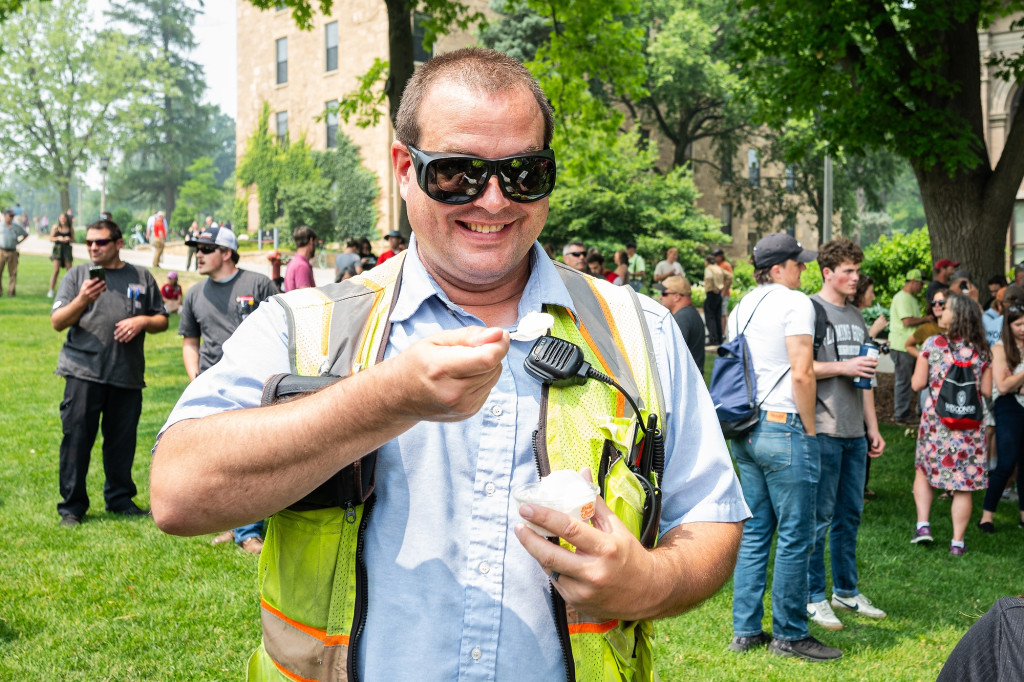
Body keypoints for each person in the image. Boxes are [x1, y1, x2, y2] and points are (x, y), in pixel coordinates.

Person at [151, 47, 749, 680]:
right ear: (405, 169)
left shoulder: (640, 330)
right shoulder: (302, 324)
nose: (492, 201)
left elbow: (711, 517)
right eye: (458, 173)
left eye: (523, 173)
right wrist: (385, 400)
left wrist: (647, 581)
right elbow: (178, 494)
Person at [727, 233, 841, 662]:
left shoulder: (742, 306)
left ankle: (745, 629)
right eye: (797, 263)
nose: (803, 269)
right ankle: (791, 634)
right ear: (778, 269)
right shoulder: (795, 303)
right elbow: (803, 372)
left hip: (746, 429)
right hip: (783, 426)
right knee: (796, 535)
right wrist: (809, 430)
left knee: (756, 532)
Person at [50, 219, 169, 526]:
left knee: (121, 441)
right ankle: (72, 507)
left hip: (126, 373)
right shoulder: (77, 275)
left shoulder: (141, 276)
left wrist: (141, 322)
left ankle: (119, 499)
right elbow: (58, 321)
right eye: (89, 242)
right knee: (76, 440)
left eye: (100, 242)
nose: (93, 247)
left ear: (118, 243)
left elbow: (162, 319)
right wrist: (83, 299)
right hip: (82, 371)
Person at [178, 225, 278, 554]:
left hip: (254, 383)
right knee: (219, 462)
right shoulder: (194, 294)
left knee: (249, 458)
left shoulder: (257, 284)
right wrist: (196, 378)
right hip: (212, 387)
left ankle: (249, 532)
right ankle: (231, 526)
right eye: (197, 250)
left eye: (206, 249)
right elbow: (190, 341)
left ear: (226, 252)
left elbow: (281, 329)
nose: (199, 255)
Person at [804, 238, 887, 632]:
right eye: (848, 271)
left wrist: (873, 428)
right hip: (822, 428)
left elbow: (864, 378)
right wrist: (843, 365)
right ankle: (813, 596)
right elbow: (801, 367)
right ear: (827, 272)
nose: (856, 277)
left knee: (849, 515)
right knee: (818, 518)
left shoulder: (855, 315)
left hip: (855, 432)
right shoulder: (811, 311)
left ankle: (847, 591)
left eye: (857, 270)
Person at [910, 292, 991, 555]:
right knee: (963, 484)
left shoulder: (933, 344)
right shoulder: (982, 350)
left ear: (956, 316)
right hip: (969, 427)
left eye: (945, 309)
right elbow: (988, 390)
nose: (940, 312)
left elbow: (917, 384)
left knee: (923, 469)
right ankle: (957, 542)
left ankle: (923, 525)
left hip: (937, 423)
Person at [977, 301, 1024, 532]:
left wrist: (1015, 382)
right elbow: (1003, 387)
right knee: (1006, 462)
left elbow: (1011, 383)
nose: (1023, 328)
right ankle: (987, 517)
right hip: (1007, 406)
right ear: (1008, 325)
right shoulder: (1000, 348)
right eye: (1018, 324)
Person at [890, 269, 931, 424]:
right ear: (913, 281)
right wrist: (925, 319)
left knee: (917, 380)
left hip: (909, 346)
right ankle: (901, 416)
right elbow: (906, 321)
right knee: (904, 382)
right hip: (901, 346)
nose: (922, 287)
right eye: (920, 284)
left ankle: (916, 411)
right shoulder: (902, 298)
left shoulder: (911, 298)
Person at [660, 275, 705, 372]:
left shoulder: (682, 317)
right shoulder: (691, 313)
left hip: (685, 382)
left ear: (677, 297)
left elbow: (671, 354)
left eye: (664, 293)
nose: (660, 297)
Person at [703, 254, 731, 346]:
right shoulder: (719, 268)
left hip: (711, 293)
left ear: (707, 262)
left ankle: (713, 340)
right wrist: (723, 288)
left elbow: (709, 277)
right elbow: (730, 276)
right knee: (717, 317)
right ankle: (719, 339)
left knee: (710, 317)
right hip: (719, 294)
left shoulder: (709, 268)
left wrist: (715, 286)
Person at [0, 208, 28, 297]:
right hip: (1, 251)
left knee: (13, 273)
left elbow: (25, 234)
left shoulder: (16, 226)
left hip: (12, 252)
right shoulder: (1, 225)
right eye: (10, 216)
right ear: (5, 216)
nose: (11, 218)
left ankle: (11, 292)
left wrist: (18, 242)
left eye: (13, 216)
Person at [48, 211, 75, 298]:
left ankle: (70, 290)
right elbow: (51, 238)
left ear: (67, 219)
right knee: (56, 270)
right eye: (61, 218)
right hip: (58, 250)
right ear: (59, 219)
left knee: (69, 271)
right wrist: (58, 238)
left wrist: (68, 239)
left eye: (64, 218)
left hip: (67, 250)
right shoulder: (55, 228)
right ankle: (51, 290)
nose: (63, 220)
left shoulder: (70, 228)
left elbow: (73, 240)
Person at [284, 225, 317, 291]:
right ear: (311, 241)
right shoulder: (301, 266)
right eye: (315, 243)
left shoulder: (293, 262)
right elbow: (305, 297)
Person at [715, 249, 734, 336]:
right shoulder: (715, 265)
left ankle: (722, 334)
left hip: (724, 293)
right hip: (716, 293)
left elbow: (730, 279)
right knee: (716, 314)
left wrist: (724, 291)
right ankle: (718, 332)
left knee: (723, 314)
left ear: (721, 256)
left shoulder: (726, 265)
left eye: (717, 256)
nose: (716, 258)